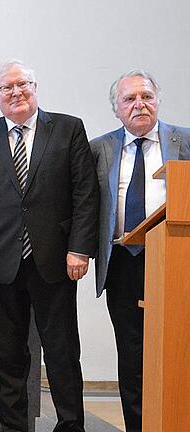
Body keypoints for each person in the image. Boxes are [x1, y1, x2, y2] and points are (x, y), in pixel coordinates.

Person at [0, 60, 98, 432]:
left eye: (23, 84)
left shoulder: (68, 129)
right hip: (0, 261)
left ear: (35, 87)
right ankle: (13, 425)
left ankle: (71, 424)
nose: (16, 92)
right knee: (7, 353)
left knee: (63, 351)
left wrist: (80, 248)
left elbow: (85, 193)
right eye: (7, 88)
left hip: (56, 260)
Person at [90, 70, 190, 432]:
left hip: (177, 261)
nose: (139, 104)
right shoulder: (100, 148)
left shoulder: (185, 140)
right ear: (116, 109)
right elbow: (89, 205)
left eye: (146, 96)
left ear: (158, 100)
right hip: (123, 262)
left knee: (178, 347)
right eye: (129, 99)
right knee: (131, 352)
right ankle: (138, 425)